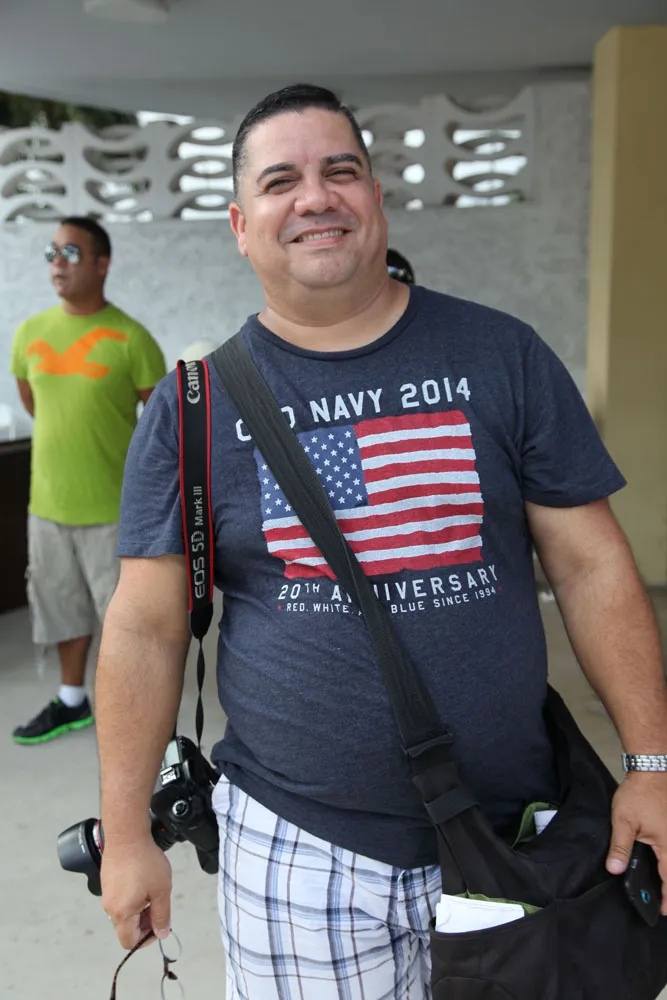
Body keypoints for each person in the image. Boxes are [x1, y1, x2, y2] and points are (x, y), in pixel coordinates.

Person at [97, 85, 667, 998]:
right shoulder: (190, 407)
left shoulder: (502, 355)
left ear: (375, 198)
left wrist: (651, 766)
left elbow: (590, 566)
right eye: (280, 181)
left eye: (341, 171)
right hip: (296, 851)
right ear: (240, 226)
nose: (315, 196)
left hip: (516, 836)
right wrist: (127, 834)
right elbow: (145, 629)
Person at [10, 217, 166, 745]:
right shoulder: (30, 333)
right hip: (48, 506)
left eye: (71, 252)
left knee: (128, 625)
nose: (58, 262)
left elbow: (163, 427)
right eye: (52, 252)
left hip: (115, 513)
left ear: (102, 264)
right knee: (62, 609)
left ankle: (143, 720)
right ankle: (72, 700)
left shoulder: (132, 338)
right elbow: (35, 404)